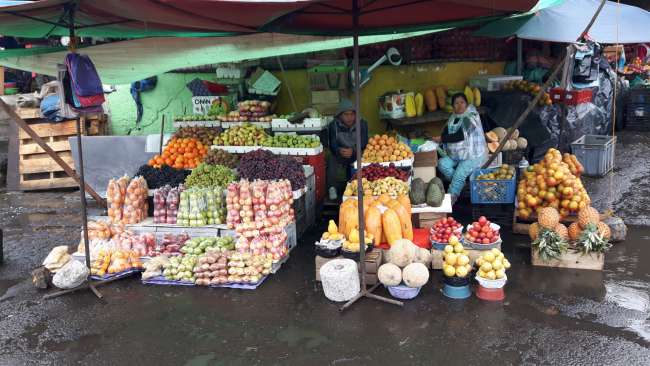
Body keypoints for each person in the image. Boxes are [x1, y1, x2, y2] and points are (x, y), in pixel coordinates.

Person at [434, 93, 487, 205]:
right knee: (442, 164)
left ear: (466, 104)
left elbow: (461, 135)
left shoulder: (472, 116)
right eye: (456, 103)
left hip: (473, 155)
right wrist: (439, 138)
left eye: (462, 102)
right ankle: (459, 183)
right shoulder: (453, 117)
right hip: (457, 154)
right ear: (453, 106)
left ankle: (449, 202)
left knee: (459, 175)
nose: (459, 105)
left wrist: (442, 138)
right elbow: (446, 131)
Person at [327, 98, 369, 199]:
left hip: (356, 153)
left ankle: (360, 187)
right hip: (341, 154)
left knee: (365, 157)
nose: (349, 117)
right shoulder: (333, 125)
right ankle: (332, 188)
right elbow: (332, 144)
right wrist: (339, 150)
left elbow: (364, 142)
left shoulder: (362, 123)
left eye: (352, 114)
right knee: (331, 159)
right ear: (340, 115)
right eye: (346, 114)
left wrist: (354, 151)